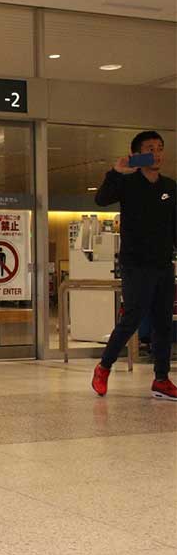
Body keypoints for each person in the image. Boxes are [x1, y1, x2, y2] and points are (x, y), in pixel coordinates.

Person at [91, 131, 177, 400]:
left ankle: (161, 379)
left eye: (160, 148)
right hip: (135, 264)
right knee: (132, 318)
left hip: (163, 264)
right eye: (150, 148)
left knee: (163, 323)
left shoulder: (170, 187)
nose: (157, 153)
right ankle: (103, 367)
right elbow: (101, 199)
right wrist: (116, 171)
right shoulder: (127, 184)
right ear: (137, 154)